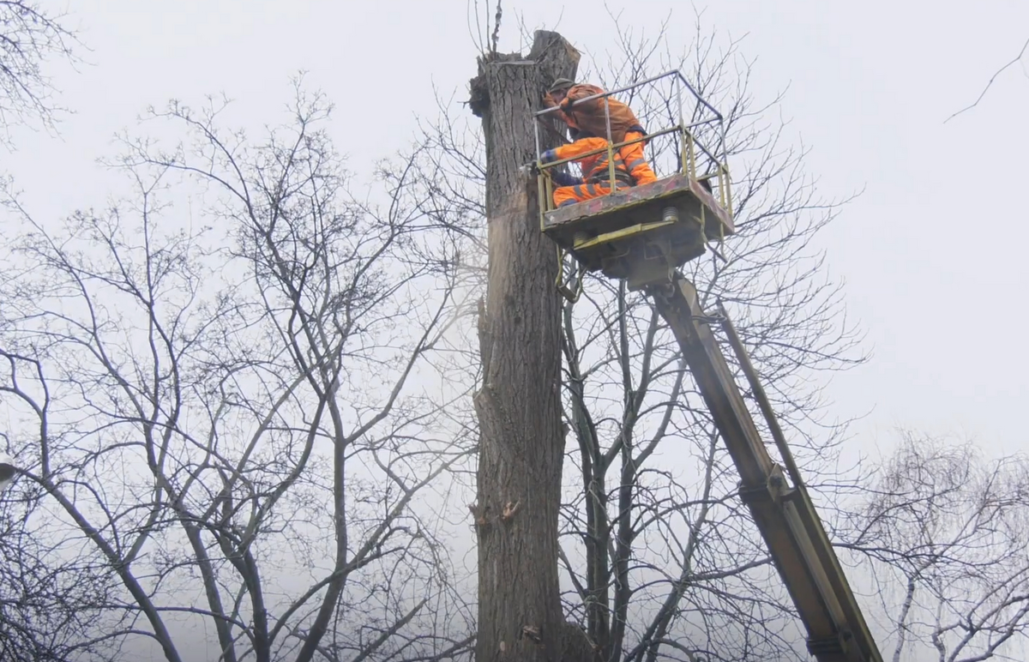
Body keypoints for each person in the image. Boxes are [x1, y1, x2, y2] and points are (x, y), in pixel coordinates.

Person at [542, 78, 657, 191]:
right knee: (624, 171)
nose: (558, 103)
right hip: (616, 139)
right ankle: (636, 189)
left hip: (626, 129)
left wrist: (570, 100)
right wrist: (549, 103)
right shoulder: (574, 114)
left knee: (633, 161)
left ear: (562, 92)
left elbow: (588, 101)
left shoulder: (578, 90)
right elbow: (561, 114)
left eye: (556, 99)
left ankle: (651, 187)